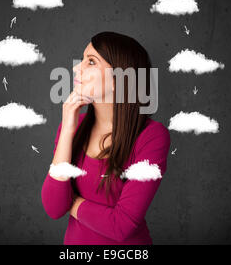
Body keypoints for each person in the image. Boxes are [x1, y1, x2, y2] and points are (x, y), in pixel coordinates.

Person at [41, 31, 171, 245]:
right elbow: (54, 208)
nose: (76, 68)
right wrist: (67, 130)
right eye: (82, 59)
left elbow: (121, 225)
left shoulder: (152, 137)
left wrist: (71, 204)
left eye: (91, 62)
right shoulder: (74, 127)